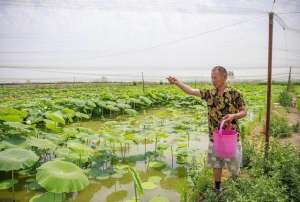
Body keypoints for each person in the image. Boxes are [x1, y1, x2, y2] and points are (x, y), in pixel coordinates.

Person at [166, 66, 247, 193]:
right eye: (212, 77)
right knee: (216, 163)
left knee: (234, 164)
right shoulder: (210, 94)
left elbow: (244, 112)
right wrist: (177, 82)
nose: (213, 80)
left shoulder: (235, 94)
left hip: (231, 137)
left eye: (215, 77)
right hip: (215, 137)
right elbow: (191, 91)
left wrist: (233, 116)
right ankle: (217, 187)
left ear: (224, 77)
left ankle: (236, 186)